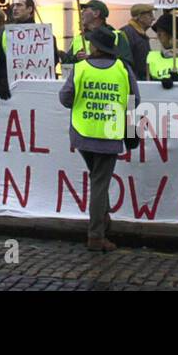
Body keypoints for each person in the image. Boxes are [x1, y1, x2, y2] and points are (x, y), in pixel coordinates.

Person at [58, 24, 140, 251]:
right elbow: (134, 100)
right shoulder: (123, 69)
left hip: (83, 132)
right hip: (110, 134)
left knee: (97, 180)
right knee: (99, 184)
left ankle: (102, 221)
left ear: (95, 46)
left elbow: (65, 98)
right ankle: (96, 234)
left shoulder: (81, 67)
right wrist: (131, 130)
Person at [67, 0, 132, 64]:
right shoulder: (78, 38)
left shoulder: (117, 35)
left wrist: (92, 60)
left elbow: (126, 63)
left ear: (96, 13)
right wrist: (75, 58)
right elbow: (67, 64)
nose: (81, 13)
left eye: (85, 10)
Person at [146, 12, 178, 83]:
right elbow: (146, 85)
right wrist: (159, 83)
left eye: (161, 32)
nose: (158, 35)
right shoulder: (152, 57)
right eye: (157, 32)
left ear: (171, 34)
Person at [122, 4, 154, 80]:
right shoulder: (127, 33)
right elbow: (125, 61)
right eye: (150, 15)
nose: (153, 18)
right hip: (135, 81)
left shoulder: (137, 33)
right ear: (139, 17)